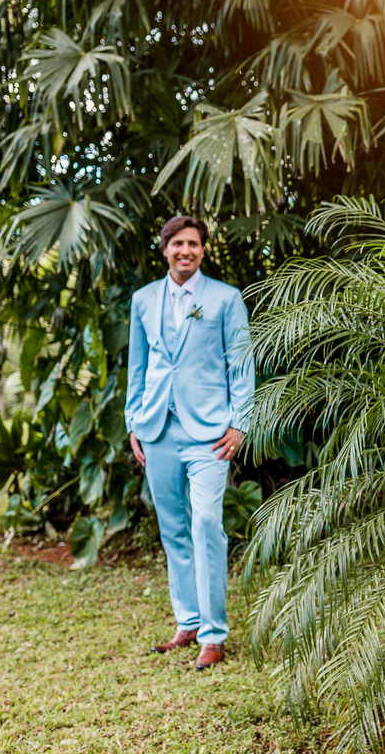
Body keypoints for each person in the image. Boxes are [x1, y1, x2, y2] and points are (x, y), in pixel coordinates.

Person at [125, 215, 253, 671]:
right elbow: (137, 367)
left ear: (202, 250)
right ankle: (189, 622)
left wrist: (240, 422)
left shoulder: (225, 299)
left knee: (204, 525)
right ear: (165, 249)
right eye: (178, 243)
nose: (186, 251)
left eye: (193, 244)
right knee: (173, 529)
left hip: (210, 434)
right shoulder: (143, 300)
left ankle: (214, 635)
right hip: (156, 429)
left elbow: (241, 365)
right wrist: (133, 423)